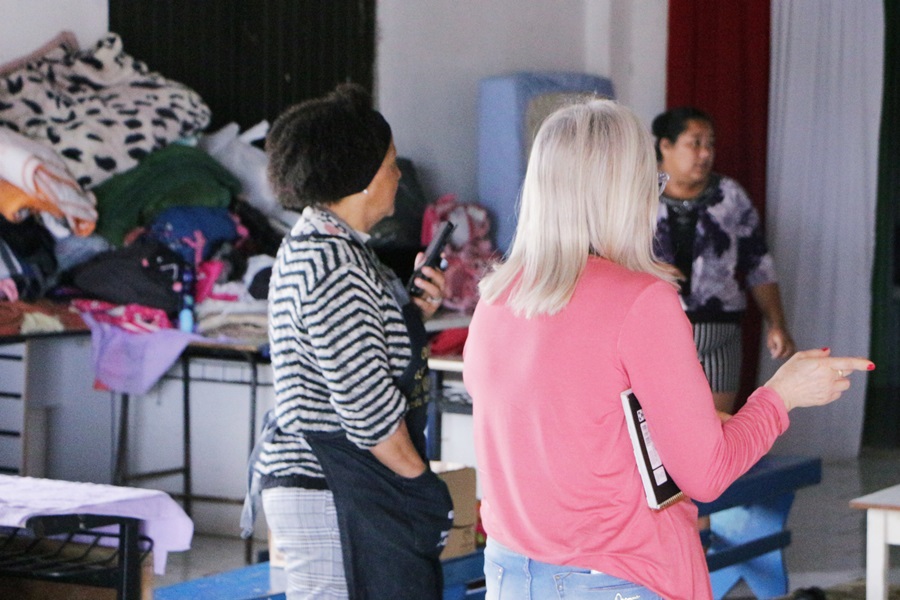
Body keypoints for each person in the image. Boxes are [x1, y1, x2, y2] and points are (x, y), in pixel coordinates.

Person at [462, 98, 872, 600]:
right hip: (615, 578)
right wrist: (781, 395)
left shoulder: (497, 295)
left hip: (512, 573)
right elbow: (707, 475)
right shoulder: (640, 300)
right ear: (622, 193)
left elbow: (568, 431)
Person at [241, 83, 453, 600]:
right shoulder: (331, 263)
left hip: (341, 484)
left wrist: (411, 314)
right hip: (328, 488)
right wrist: (421, 486)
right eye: (391, 164)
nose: (398, 176)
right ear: (361, 178)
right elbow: (366, 408)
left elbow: (358, 350)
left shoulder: (339, 249)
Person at [652, 106, 796, 415]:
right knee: (656, 425)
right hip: (654, 332)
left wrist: (777, 323)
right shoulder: (636, 194)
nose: (705, 153)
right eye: (695, 143)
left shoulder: (730, 195)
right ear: (666, 145)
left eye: (710, 144)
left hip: (719, 333)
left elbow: (758, 264)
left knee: (716, 428)